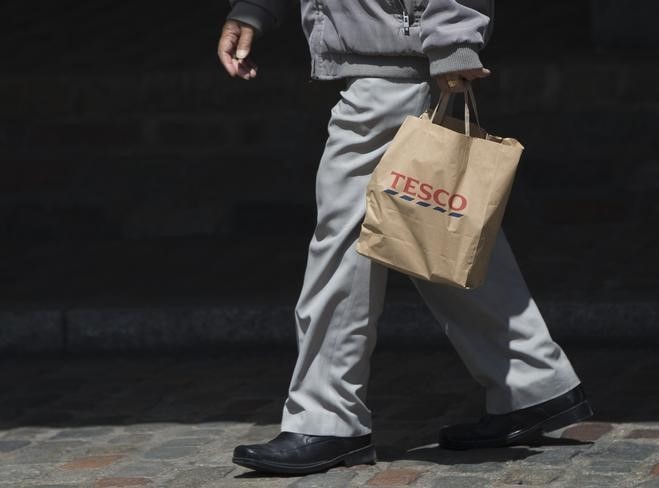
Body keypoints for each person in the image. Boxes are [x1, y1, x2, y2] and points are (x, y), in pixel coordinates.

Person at [217, 0, 593, 475]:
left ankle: (327, 419)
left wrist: (454, 36)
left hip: (397, 61)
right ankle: (535, 383)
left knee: (347, 240)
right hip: (393, 52)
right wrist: (254, 9)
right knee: (430, 227)